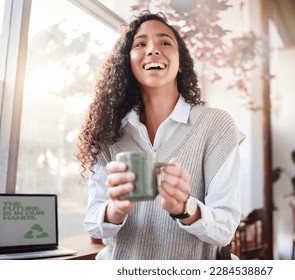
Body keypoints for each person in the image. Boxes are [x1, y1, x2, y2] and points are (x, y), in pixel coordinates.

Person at [76, 11, 245, 260]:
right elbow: (94, 223)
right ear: (128, 62)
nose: (153, 49)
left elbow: (225, 229)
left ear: (182, 63)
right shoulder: (109, 133)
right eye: (140, 44)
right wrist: (117, 208)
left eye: (165, 42)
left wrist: (185, 208)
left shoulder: (216, 126)